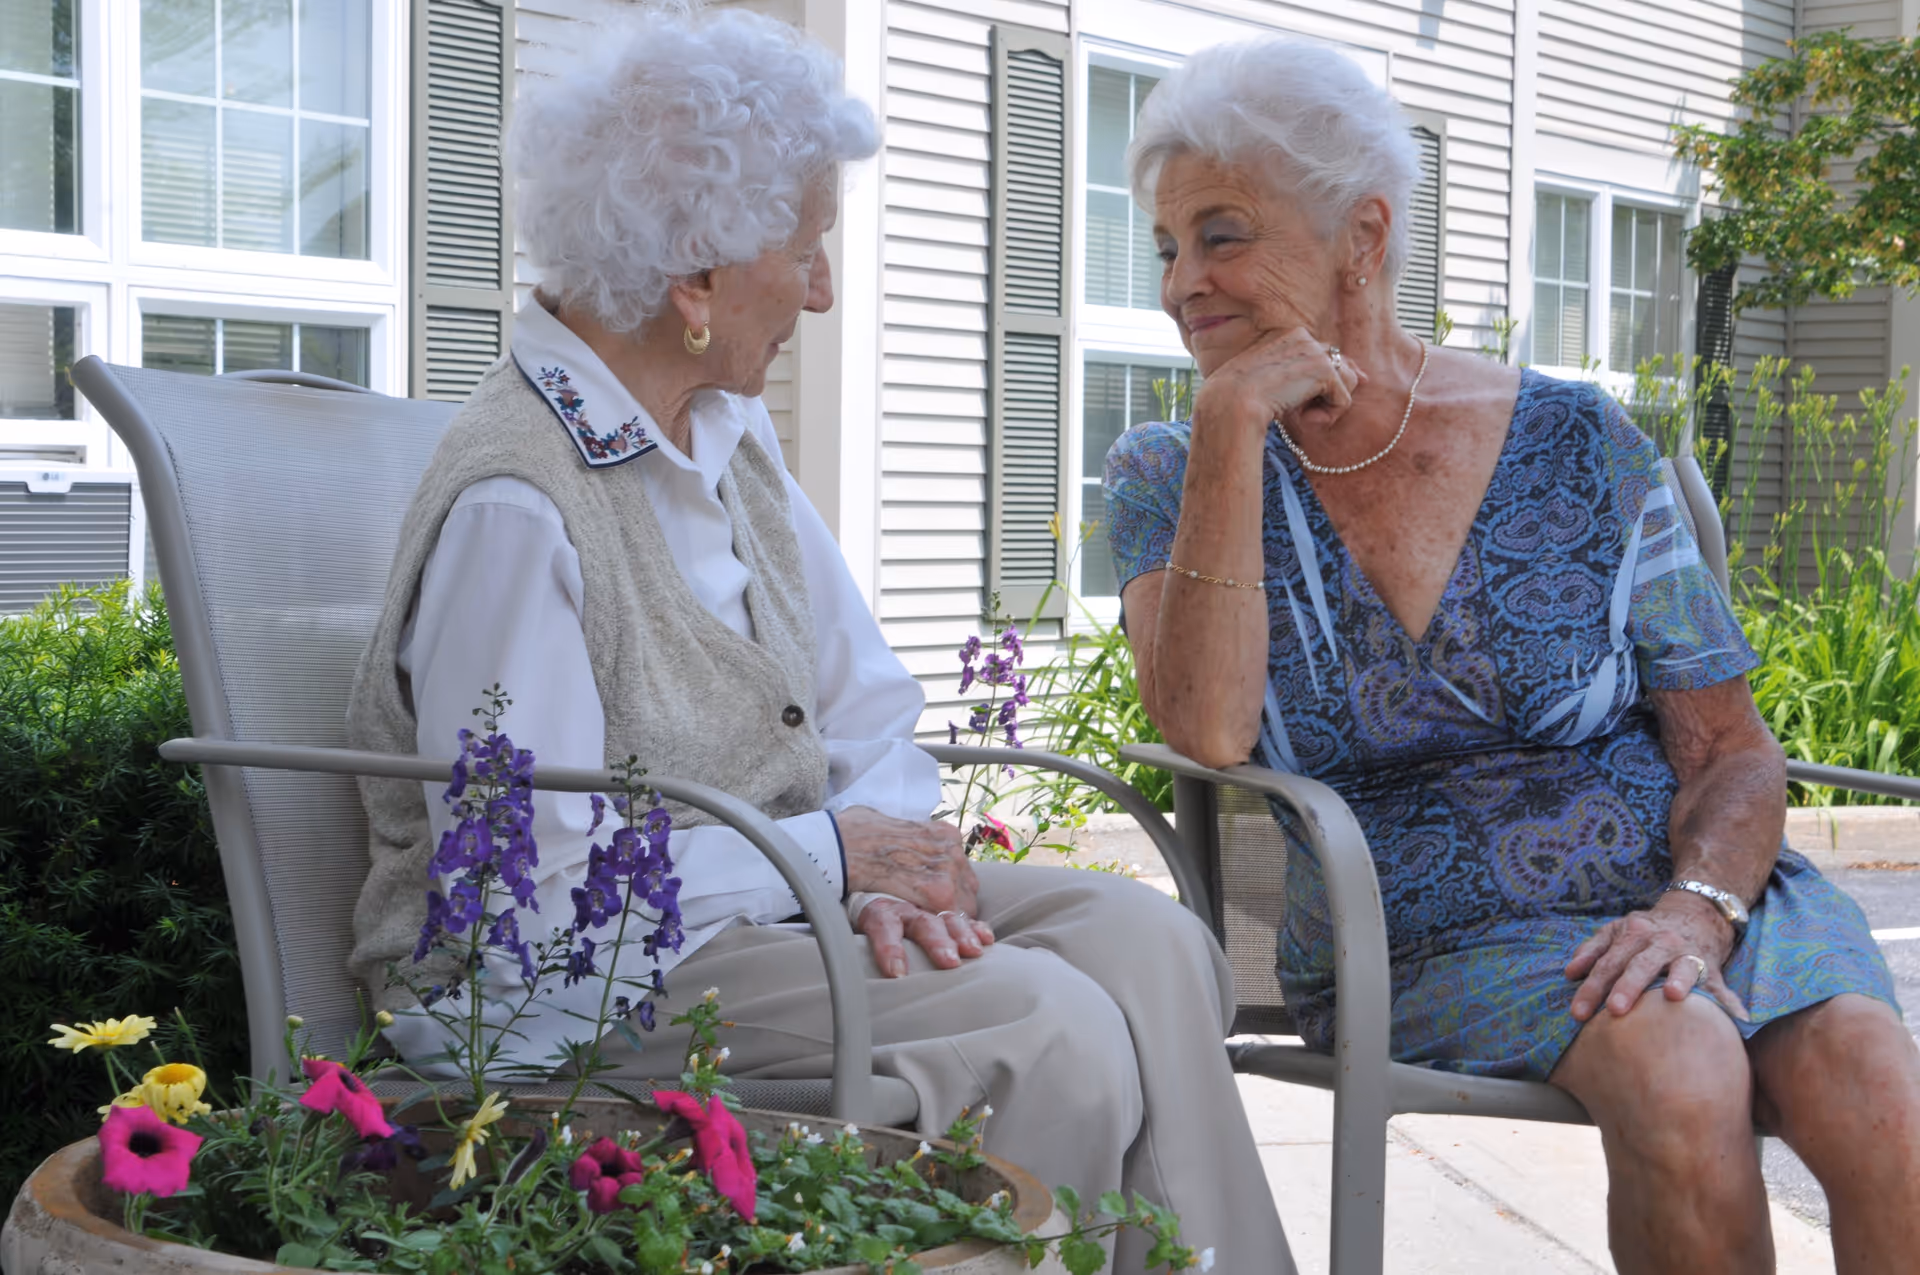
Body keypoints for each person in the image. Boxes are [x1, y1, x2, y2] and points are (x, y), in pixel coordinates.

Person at [344, 7, 1288, 1270]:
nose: (825, 290)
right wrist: (837, 866)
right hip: (558, 996)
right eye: (809, 249)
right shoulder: (518, 509)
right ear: (695, 275)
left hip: (763, 916)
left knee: (1152, 942)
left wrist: (900, 880)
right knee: (1047, 1025)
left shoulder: (728, 433)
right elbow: (548, 901)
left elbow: (862, 712)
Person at [1104, 36, 1920, 1275]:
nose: (1180, 285)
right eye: (1167, 247)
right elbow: (1208, 732)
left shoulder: (1579, 439)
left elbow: (1731, 746)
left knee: (1884, 1098)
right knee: (1684, 1065)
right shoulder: (1167, 473)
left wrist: (1697, 911)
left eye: (1221, 235)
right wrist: (1229, 428)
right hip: (1431, 930)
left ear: (1362, 238)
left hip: (1688, 895)